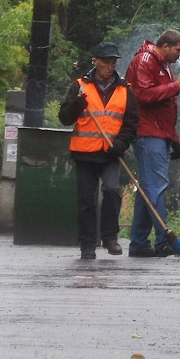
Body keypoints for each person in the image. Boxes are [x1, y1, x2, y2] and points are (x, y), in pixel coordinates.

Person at [59, 42, 139, 260]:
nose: (109, 67)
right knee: (86, 200)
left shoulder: (125, 89)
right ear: (95, 62)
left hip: (111, 153)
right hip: (84, 153)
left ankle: (110, 237)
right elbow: (65, 118)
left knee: (112, 191)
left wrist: (121, 144)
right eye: (105, 62)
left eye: (113, 62)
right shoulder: (80, 87)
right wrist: (76, 105)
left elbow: (131, 123)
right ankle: (87, 244)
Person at [125, 29, 180, 257]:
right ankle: (164, 241)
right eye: (178, 50)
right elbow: (143, 95)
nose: (179, 55)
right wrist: (177, 86)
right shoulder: (146, 60)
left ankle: (139, 243)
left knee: (148, 189)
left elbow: (165, 108)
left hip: (157, 133)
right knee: (157, 186)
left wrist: (174, 140)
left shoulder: (164, 65)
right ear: (165, 46)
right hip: (147, 133)